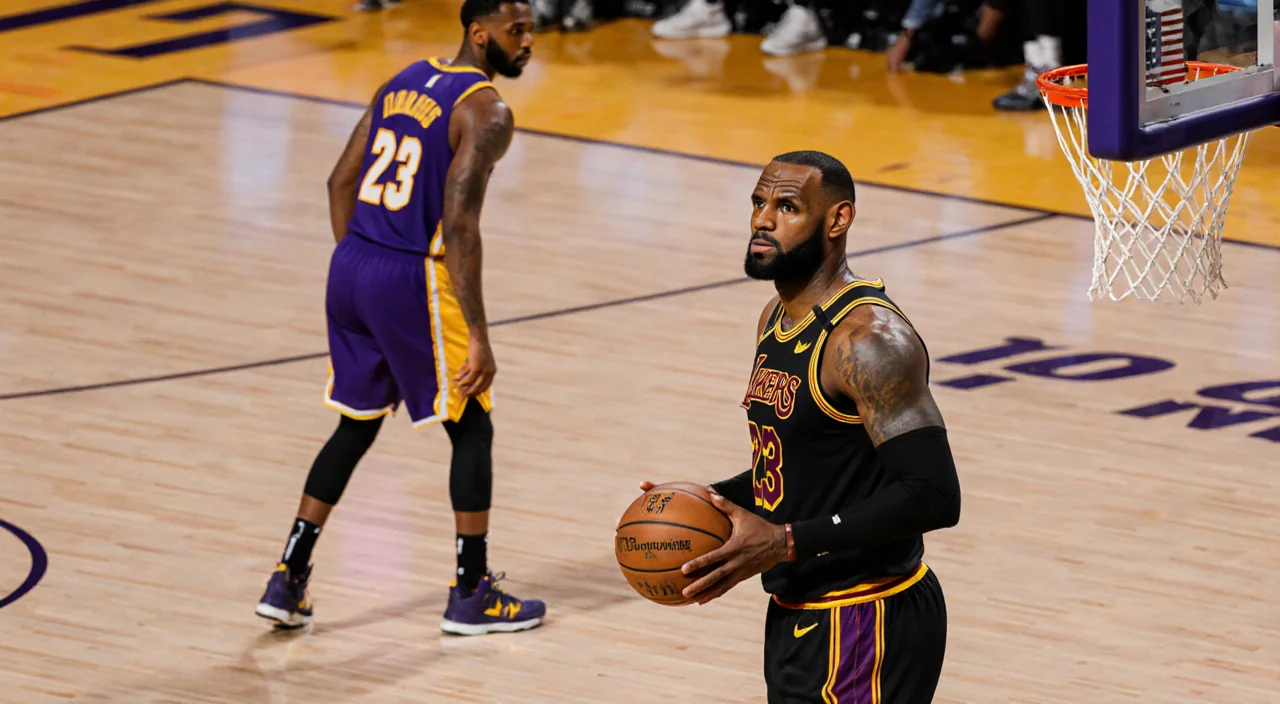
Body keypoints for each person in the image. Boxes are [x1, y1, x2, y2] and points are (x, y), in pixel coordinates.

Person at [255, 0, 546, 637]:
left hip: (352, 264)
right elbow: (462, 227)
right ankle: (472, 593)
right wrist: (481, 337)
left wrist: (359, 267)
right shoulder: (487, 110)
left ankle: (288, 578)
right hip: (412, 275)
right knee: (472, 425)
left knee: (354, 427)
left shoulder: (404, 79)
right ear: (479, 32)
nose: (527, 42)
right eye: (515, 30)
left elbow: (339, 182)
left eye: (531, 30)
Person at [641, 151, 961, 702]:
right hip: (799, 612)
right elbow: (801, 464)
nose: (763, 220)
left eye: (786, 206)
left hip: (865, 617)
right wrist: (711, 499)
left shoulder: (867, 342)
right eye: (758, 203)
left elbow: (934, 496)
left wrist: (785, 541)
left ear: (837, 220)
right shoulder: (775, 319)